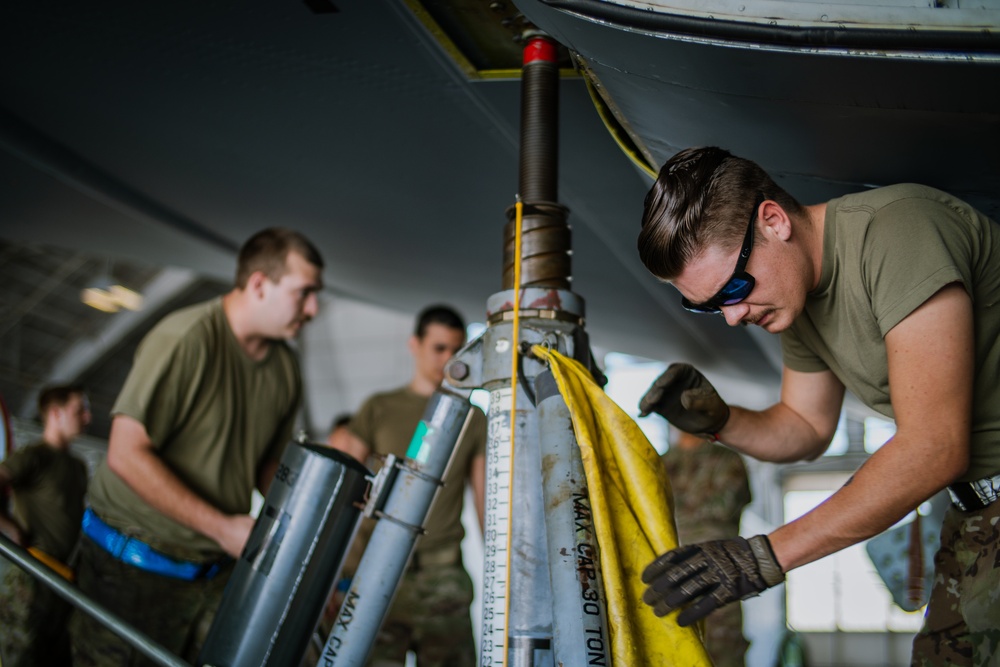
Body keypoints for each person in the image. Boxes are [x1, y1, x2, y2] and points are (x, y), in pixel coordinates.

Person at [635, 146, 1000, 666]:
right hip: (974, 514)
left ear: (774, 220)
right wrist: (718, 420)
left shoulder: (898, 232)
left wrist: (763, 557)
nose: (733, 317)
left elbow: (934, 448)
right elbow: (804, 427)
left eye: (735, 288)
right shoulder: (792, 297)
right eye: (711, 305)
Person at [70, 228, 324, 666]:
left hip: (211, 569)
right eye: (304, 293)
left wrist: (311, 518)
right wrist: (224, 528)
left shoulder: (286, 368)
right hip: (131, 567)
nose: (314, 309)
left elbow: (269, 467)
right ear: (260, 284)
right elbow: (125, 453)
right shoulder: (186, 338)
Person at [330, 304, 486, 667]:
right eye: (438, 348)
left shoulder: (474, 418)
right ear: (414, 344)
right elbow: (343, 493)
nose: (447, 359)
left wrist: (505, 574)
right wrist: (335, 576)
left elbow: (485, 505)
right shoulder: (379, 408)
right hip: (377, 573)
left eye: (456, 349)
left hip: (443, 577)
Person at [0, 384, 90, 667]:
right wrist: (9, 527)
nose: (87, 417)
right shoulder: (34, 457)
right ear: (55, 412)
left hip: (65, 582)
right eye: (79, 409)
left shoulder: (78, 467)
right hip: (33, 577)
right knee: (18, 658)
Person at [661, 427, 751, 667]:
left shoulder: (727, 460)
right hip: (670, 575)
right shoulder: (658, 464)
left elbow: (725, 509)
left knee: (722, 651)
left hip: (718, 572)